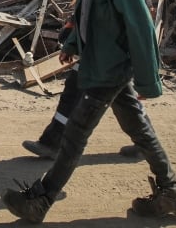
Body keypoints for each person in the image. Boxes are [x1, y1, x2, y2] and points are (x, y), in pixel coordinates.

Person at [2, 0, 176, 223]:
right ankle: (171, 193)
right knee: (139, 129)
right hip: (99, 62)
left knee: (75, 134)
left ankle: (41, 200)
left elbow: (139, 22)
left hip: (110, 67)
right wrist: (73, 43)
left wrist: (149, 79)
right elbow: (86, 14)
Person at [21, 18, 143, 161]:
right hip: (99, 51)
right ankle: (145, 145)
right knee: (126, 102)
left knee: (74, 93)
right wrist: (71, 40)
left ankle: (52, 143)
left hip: (106, 52)